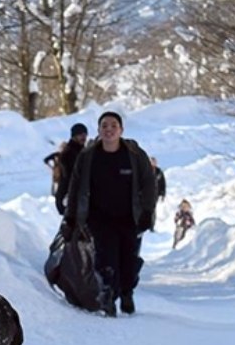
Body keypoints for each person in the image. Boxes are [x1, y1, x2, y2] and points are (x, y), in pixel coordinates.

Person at [64, 111, 157, 317]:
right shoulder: (88, 156)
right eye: (104, 126)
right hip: (98, 218)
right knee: (105, 258)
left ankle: (126, 292)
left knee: (128, 260)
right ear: (98, 130)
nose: (109, 129)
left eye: (113, 125)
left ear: (121, 130)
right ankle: (107, 294)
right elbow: (75, 187)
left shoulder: (134, 154)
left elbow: (149, 183)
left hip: (129, 217)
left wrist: (147, 212)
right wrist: (71, 217)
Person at [52, 123, 90, 215]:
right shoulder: (68, 153)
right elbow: (68, 178)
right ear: (74, 136)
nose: (83, 137)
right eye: (80, 135)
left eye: (85, 135)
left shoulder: (83, 151)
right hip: (70, 200)